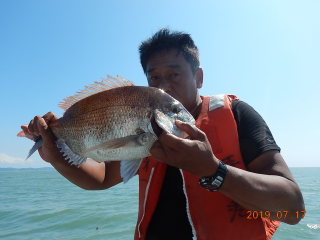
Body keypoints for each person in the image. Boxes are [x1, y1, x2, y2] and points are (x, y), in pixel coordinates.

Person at [22, 28, 305, 240]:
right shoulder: (146, 121)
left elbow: (293, 210)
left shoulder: (238, 115)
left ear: (199, 77)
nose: (164, 86)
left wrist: (213, 171)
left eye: (175, 74)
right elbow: (102, 179)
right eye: (154, 77)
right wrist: (53, 150)